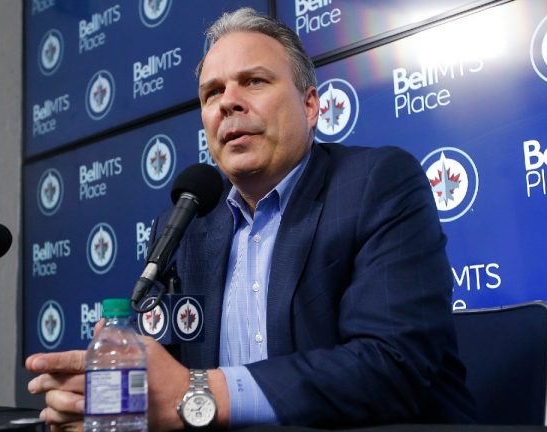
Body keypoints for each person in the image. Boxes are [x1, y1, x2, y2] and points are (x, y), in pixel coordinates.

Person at [26, 7, 475, 431]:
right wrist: (104, 398)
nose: (228, 103)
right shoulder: (185, 224)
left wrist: (199, 392)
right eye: (212, 92)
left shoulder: (377, 183)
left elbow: (393, 366)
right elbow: (158, 378)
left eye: (254, 82)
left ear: (311, 105)